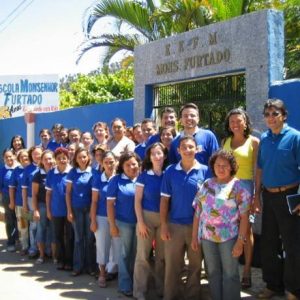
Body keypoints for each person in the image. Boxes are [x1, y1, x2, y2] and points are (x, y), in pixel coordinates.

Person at [253, 99, 300, 300]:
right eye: (267, 114)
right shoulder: (264, 138)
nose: (271, 118)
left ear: (284, 115)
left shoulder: (295, 137)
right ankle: (273, 285)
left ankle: (293, 290)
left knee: (292, 245)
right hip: (268, 196)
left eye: (275, 113)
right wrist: (256, 196)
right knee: (269, 244)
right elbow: (260, 168)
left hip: (289, 196)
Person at [192, 149, 251, 300]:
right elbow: (198, 212)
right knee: (212, 273)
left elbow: (245, 217)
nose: (221, 168)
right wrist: (194, 237)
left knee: (230, 274)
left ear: (231, 167)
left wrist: (240, 241)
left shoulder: (239, 187)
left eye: (225, 165)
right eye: (218, 165)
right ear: (213, 166)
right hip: (207, 237)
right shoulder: (206, 185)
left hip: (229, 238)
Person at [160, 136, 209, 300]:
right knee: (172, 266)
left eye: (191, 147)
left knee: (195, 267)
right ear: (178, 150)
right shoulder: (170, 171)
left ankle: (192, 296)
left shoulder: (205, 171)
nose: (188, 150)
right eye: (184, 147)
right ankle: (170, 296)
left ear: (197, 149)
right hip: (175, 225)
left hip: (198, 228)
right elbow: (165, 199)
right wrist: (164, 225)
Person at [222, 108, 259, 288]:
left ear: (246, 122)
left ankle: (246, 271)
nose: (235, 124)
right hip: (228, 190)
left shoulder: (254, 142)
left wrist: (256, 196)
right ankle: (230, 270)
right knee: (229, 229)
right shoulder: (225, 142)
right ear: (228, 125)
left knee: (246, 231)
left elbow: (257, 171)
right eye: (232, 122)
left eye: (239, 121)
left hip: (246, 189)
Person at [133, 142, 168, 300]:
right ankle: (139, 291)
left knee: (162, 258)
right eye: (153, 153)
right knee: (143, 256)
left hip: (164, 220)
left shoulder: (169, 174)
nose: (157, 156)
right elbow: (137, 201)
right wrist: (140, 222)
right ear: (149, 156)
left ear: (164, 155)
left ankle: (161, 289)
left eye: (159, 153)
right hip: (146, 218)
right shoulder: (144, 176)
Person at [107, 152, 141, 297]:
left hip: (141, 223)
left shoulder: (142, 179)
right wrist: (112, 225)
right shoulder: (116, 181)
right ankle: (125, 284)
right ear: (121, 166)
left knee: (137, 254)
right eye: (127, 164)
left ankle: (136, 283)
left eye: (134, 164)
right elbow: (109, 205)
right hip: (123, 222)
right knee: (125, 254)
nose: (131, 167)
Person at [90, 151, 120, 288]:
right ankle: (102, 273)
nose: (109, 165)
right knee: (102, 245)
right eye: (106, 162)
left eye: (111, 161)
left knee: (118, 246)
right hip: (101, 216)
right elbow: (94, 201)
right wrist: (93, 220)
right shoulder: (98, 179)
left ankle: (116, 272)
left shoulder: (120, 177)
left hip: (119, 217)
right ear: (102, 164)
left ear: (116, 162)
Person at [66, 147, 94, 276]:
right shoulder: (72, 172)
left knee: (89, 238)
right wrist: (69, 211)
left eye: (84, 157)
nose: (82, 159)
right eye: (79, 157)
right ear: (75, 159)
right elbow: (68, 193)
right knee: (78, 238)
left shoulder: (93, 172)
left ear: (88, 158)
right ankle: (78, 266)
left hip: (89, 209)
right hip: (76, 209)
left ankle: (90, 267)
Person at [46, 147, 73, 271]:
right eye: (59, 158)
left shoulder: (72, 172)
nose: (62, 160)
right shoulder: (51, 173)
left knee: (70, 236)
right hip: (56, 210)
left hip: (70, 211)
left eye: (64, 158)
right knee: (58, 236)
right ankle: (61, 260)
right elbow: (48, 194)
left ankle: (69, 261)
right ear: (55, 160)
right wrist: (48, 210)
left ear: (68, 159)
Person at [32, 150, 56, 264]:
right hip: (42, 205)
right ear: (41, 161)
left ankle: (54, 255)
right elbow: (34, 194)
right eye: (45, 159)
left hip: (55, 205)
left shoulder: (57, 172)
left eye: (50, 158)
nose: (48, 161)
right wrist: (36, 210)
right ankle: (41, 255)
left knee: (53, 229)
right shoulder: (37, 175)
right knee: (41, 229)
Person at [22, 146, 43, 258]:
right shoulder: (28, 169)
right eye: (34, 154)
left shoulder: (47, 166)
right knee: (33, 225)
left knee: (43, 225)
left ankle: (44, 249)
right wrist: (25, 204)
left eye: (39, 153)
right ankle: (33, 248)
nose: (37, 156)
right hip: (31, 200)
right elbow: (24, 188)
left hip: (44, 200)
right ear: (31, 155)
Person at [9, 149, 30, 255]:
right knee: (23, 226)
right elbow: (12, 188)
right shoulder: (16, 170)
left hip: (32, 204)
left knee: (33, 227)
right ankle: (25, 246)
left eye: (26, 156)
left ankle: (34, 247)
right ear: (19, 159)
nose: (24, 158)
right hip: (20, 203)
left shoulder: (33, 169)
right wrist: (12, 202)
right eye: (22, 157)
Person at [0, 149, 18, 252]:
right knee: (10, 220)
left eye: (10, 156)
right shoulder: (2, 171)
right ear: (3, 159)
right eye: (6, 157)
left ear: (15, 156)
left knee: (22, 219)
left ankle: (23, 241)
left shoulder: (19, 168)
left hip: (20, 198)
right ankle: (11, 242)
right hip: (7, 198)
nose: (9, 158)